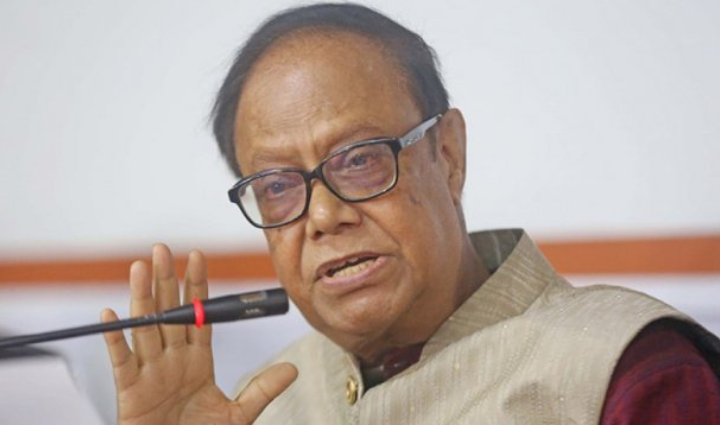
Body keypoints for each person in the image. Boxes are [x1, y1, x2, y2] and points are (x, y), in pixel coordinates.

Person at [101, 3, 720, 424]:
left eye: (358, 160)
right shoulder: (267, 403)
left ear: (447, 155)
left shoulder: (624, 369)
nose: (323, 216)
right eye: (278, 186)